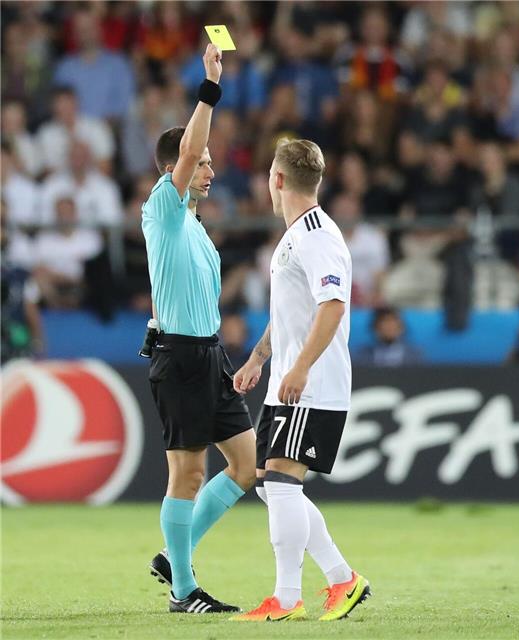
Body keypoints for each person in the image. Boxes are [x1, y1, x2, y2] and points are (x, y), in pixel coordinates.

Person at [231, 139, 370, 622]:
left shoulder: (316, 235)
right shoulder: (296, 236)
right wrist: (258, 358)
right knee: (269, 485)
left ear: (277, 180)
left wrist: (302, 366)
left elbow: (333, 306)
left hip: (310, 385)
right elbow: (293, 311)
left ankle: (287, 598)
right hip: (288, 382)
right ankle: (341, 578)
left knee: (282, 485)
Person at [141, 44, 256, 614]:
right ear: (174, 170)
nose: (211, 169)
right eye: (203, 162)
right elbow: (188, 148)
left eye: (208, 162)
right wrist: (210, 87)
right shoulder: (162, 208)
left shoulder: (193, 225)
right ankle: (183, 591)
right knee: (187, 475)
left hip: (209, 356)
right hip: (180, 358)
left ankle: (174, 554)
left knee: (246, 464)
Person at [355, 306, 423, 367]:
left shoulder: (415, 356)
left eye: (393, 323)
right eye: (385, 323)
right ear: (376, 328)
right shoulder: (363, 356)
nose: (389, 328)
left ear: (401, 328)